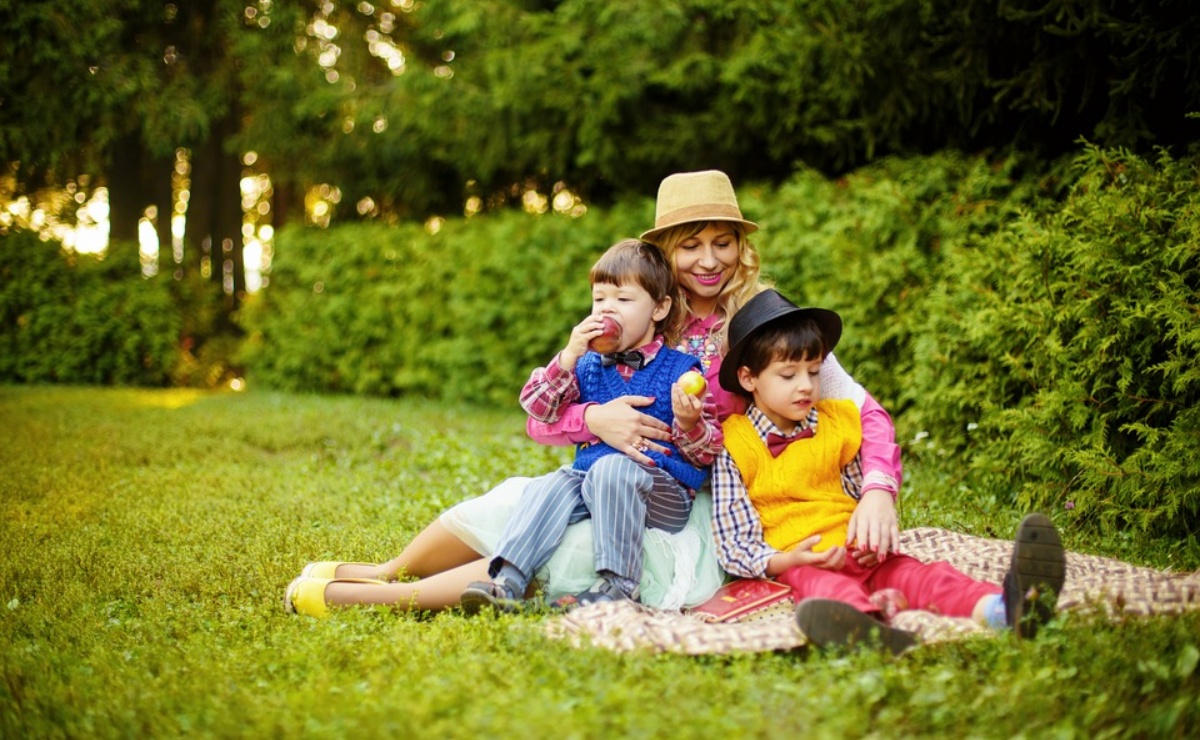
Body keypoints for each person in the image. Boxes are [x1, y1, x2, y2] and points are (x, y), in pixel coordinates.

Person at [284, 170, 901, 617]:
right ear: (662, 252)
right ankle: (386, 570)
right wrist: (596, 417)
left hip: (704, 500)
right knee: (520, 503)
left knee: (571, 545)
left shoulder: (767, 322)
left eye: (723, 242)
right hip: (607, 467)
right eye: (689, 244)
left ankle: (382, 597)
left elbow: (859, 410)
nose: (708, 260)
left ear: (742, 247)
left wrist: (878, 490)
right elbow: (543, 420)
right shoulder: (630, 314)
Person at [710, 288, 1067, 654]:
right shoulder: (734, 445)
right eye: (788, 375)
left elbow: (857, 492)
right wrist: (789, 559)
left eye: (814, 372)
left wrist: (871, 541)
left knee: (926, 576)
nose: (806, 385)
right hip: (804, 559)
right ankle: (868, 632)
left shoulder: (837, 422)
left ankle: (1007, 610)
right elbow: (736, 543)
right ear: (749, 378)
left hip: (860, 551)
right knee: (827, 591)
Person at [459, 239, 723, 613]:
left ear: (659, 308)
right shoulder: (585, 365)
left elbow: (707, 452)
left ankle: (619, 586)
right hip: (592, 482)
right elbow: (538, 408)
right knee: (552, 482)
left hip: (662, 493)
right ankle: (507, 581)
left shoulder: (682, 370)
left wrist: (689, 422)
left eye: (623, 300)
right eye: (599, 300)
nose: (607, 310)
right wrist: (567, 357)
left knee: (613, 468)